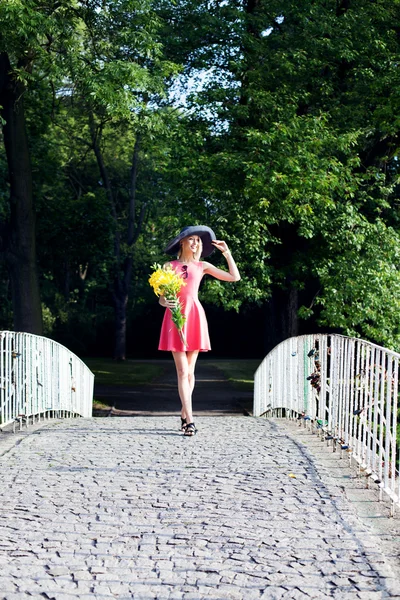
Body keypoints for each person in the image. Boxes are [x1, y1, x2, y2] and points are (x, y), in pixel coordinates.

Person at [158, 225, 241, 436]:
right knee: (182, 371)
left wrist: (227, 252)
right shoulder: (169, 267)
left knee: (191, 372)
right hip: (175, 318)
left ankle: (185, 413)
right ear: (182, 242)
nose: (195, 243)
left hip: (194, 316)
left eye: (198, 240)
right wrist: (165, 301)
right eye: (191, 239)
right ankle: (190, 420)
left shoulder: (202, 265)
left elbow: (234, 277)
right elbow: (161, 298)